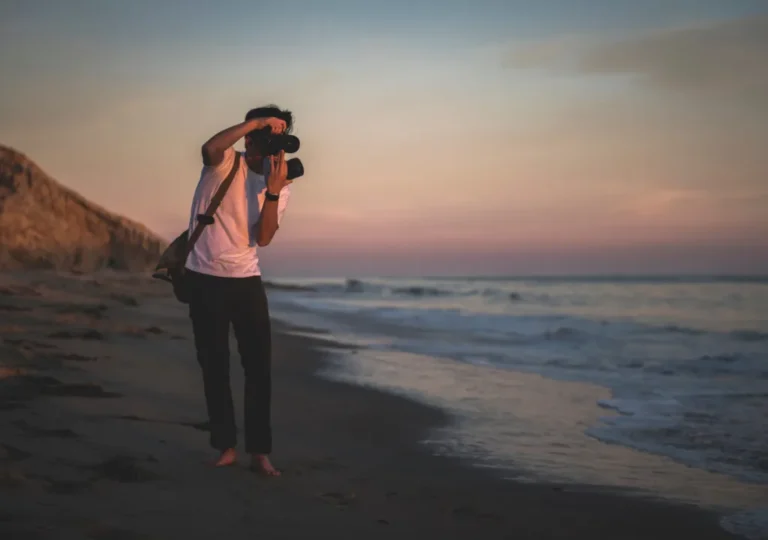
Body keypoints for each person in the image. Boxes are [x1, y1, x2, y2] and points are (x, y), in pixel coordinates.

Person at [183, 105, 295, 476]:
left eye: (276, 140)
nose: (270, 149)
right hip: (204, 277)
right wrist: (256, 123)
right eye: (264, 137)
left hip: (247, 280)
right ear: (250, 137)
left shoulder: (277, 181)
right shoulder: (224, 162)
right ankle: (225, 446)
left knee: (258, 369)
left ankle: (260, 452)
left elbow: (263, 238)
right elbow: (209, 146)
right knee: (214, 365)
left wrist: (274, 193)